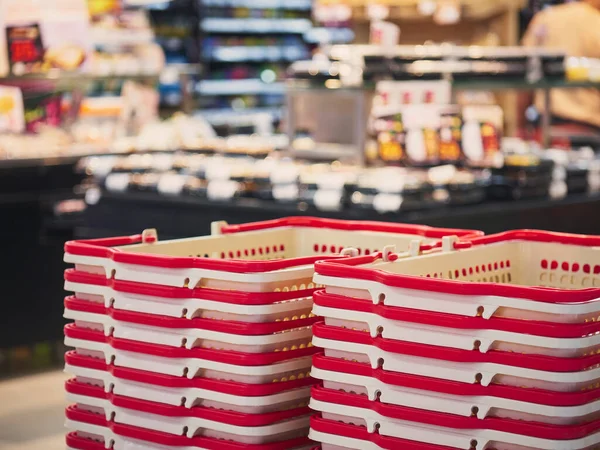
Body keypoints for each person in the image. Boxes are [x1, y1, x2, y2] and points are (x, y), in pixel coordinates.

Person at [521, 0, 600, 131]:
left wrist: (520, 127)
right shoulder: (596, 21)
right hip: (589, 129)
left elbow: (523, 77)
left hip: (544, 126)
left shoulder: (544, 18)